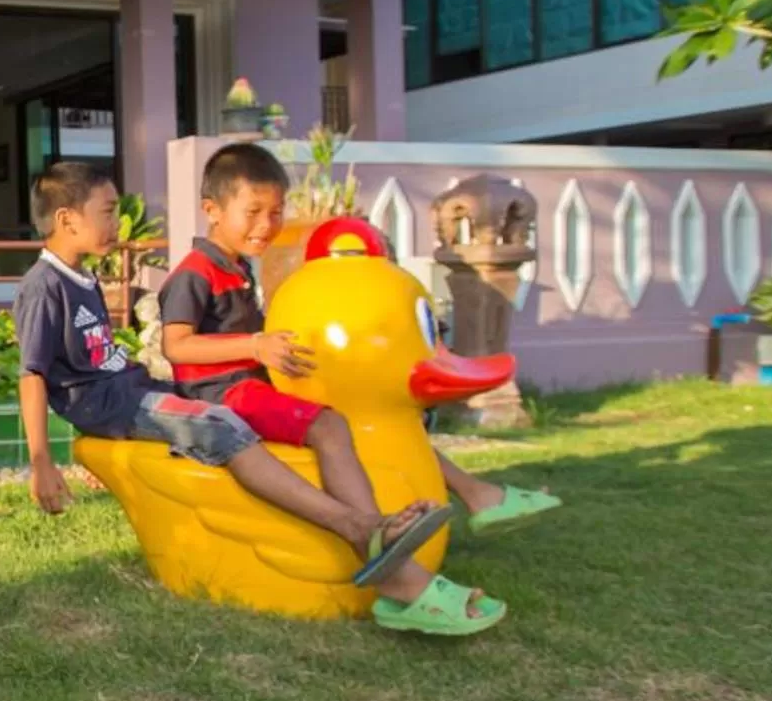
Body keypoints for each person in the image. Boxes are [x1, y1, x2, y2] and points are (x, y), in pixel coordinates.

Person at [14, 161, 500, 634]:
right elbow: (33, 374)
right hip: (113, 404)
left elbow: (95, 359)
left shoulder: (82, 278)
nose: (117, 222)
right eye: (108, 210)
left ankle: (384, 544)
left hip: (130, 393)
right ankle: (360, 528)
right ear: (67, 219)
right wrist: (41, 461)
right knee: (222, 426)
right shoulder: (44, 286)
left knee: (282, 421)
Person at [159, 142, 560, 541]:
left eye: (276, 212)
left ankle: (478, 494)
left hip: (254, 384)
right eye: (253, 212)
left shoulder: (239, 268)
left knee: (367, 405)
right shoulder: (195, 273)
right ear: (212, 210)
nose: (266, 224)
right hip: (224, 396)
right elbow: (176, 346)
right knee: (328, 426)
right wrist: (256, 346)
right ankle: (373, 530)